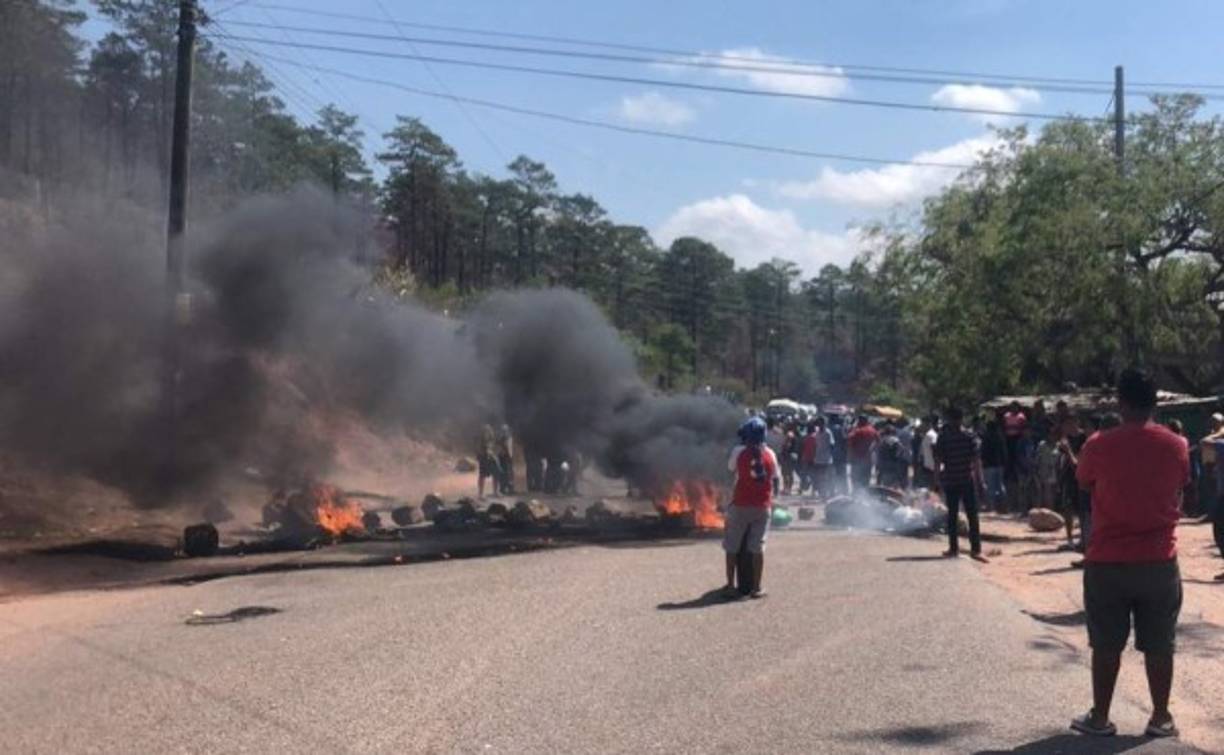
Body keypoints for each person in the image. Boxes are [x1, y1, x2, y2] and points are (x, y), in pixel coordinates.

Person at [1070, 370, 1188, 740]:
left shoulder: (1097, 444)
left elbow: (1084, 480)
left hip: (1108, 559)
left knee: (1106, 643)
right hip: (1159, 559)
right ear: (1155, 403)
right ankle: (1161, 717)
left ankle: (1101, 718)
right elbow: (1181, 484)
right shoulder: (1176, 444)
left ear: (1120, 403)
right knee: (1159, 643)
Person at [723, 417, 780, 599]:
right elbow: (775, 477)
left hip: (740, 505)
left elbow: (730, 468)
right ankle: (756, 588)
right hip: (762, 507)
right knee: (758, 548)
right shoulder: (770, 454)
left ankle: (731, 586)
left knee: (732, 546)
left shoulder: (739, 452)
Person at [934, 407, 987, 562]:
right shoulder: (970, 436)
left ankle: (954, 549)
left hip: (952, 480)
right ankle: (976, 550)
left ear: (950, 420)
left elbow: (938, 462)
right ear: (962, 419)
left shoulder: (943, 437)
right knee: (972, 515)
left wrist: (936, 481)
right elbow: (976, 461)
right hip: (966, 480)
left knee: (952, 515)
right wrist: (981, 481)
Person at [980, 419, 1008, 512]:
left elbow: (982, 452)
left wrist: (983, 462)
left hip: (989, 465)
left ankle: (991, 507)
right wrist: (1004, 462)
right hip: (999, 464)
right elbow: (1004, 451)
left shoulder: (986, 438)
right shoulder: (1000, 437)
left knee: (990, 486)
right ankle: (1003, 506)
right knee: (1000, 485)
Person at [846, 415, 879, 492]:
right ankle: (865, 496)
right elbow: (878, 442)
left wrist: (849, 457)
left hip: (857, 459)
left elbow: (849, 442)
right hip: (868, 459)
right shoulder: (873, 430)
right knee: (866, 479)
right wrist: (871, 450)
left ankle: (856, 496)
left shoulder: (857, 431)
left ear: (860, 421)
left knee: (855, 479)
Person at [877, 423, 907, 489]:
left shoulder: (882, 439)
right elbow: (902, 449)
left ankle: (880, 488)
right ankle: (898, 490)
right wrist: (898, 456)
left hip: (884, 462)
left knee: (882, 476)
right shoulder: (895, 439)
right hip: (893, 461)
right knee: (896, 477)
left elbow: (878, 450)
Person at [811, 417, 834, 498]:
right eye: (819, 423)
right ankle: (821, 493)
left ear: (824, 424)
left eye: (821, 423)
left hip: (826, 459)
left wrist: (829, 455)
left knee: (825, 477)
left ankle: (825, 493)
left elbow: (832, 445)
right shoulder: (816, 433)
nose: (820, 425)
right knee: (818, 477)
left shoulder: (828, 433)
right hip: (817, 458)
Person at [476, 424, 501, 499]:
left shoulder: (491, 435)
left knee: (496, 473)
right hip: (484, 456)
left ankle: (495, 492)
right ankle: (481, 494)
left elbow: (493, 445)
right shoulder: (483, 435)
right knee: (482, 475)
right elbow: (481, 447)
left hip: (491, 456)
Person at [918, 415, 940, 490]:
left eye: (922, 424)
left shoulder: (931, 435)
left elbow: (935, 450)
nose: (921, 426)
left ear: (928, 424)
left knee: (931, 490)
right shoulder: (927, 435)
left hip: (931, 468)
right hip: (927, 467)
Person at [830, 416, 849, 494]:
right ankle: (844, 490)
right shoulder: (840, 429)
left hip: (832, 454)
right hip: (840, 454)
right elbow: (844, 440)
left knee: (832, 473)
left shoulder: (830, 428)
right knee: (842, 473)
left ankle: (832, 490)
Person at [495, 424, 515, 495]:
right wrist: (510, 456)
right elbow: (508, 447)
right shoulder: (507, 437)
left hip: (502, 456)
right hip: (505, 456)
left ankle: (504, 488)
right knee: (508, 472)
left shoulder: (501, 437)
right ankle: (509, 488)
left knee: (504, 472)